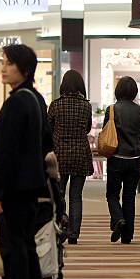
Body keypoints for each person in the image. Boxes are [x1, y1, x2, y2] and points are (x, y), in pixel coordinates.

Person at [0, 44, 53, 279]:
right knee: (25, 245)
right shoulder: (36, 99)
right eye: (3, 62)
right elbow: (45, 143)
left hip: (14, 188)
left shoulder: (17, 102)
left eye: (10, 63)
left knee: (13, 247)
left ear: (24, 69)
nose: (4, 67)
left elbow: (6, 152)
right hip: (31, 185)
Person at [48, 70, 93, 245]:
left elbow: (48, 130)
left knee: (59, 195)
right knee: (76, 196)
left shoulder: (56, 105)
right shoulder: (86, 106)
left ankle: (62, 225)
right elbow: (88, 129)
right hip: (81, 154)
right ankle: (74, 234)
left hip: (59, 156)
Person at [104, 76, 140, 244]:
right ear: (134, 92)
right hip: (135, 158)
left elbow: (106, 132)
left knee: (112, 194)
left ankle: (118, 219)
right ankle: (127, 235)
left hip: (116, 158)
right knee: (129, 197)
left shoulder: (112, 109)